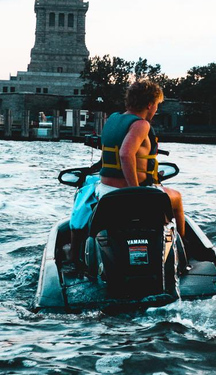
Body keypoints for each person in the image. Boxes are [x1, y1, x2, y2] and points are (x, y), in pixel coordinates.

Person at [68, 80, 186, 261]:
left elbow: (111, 154)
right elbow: (125, 155)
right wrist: (135, 190)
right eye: (157, 105)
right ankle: (184, 250)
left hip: (105, 191)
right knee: (176, 198)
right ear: (149, 104)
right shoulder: (141, 125)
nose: (156, 110)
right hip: (130, 191)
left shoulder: (112, 120)